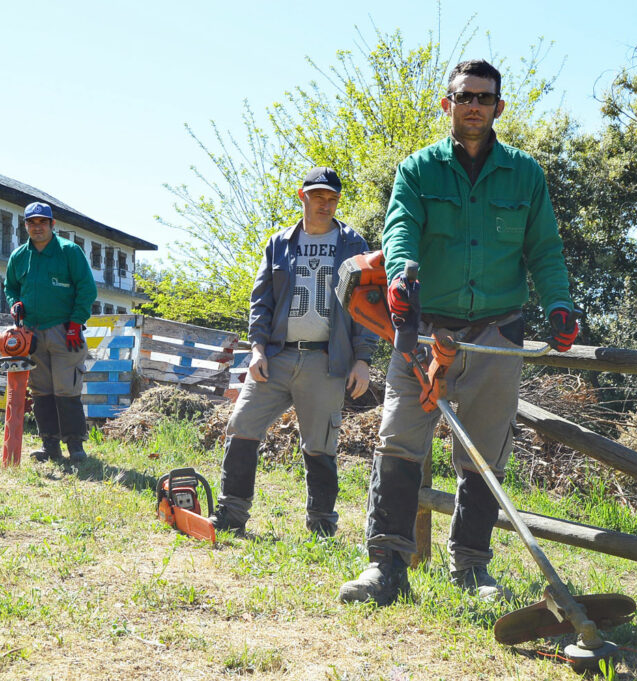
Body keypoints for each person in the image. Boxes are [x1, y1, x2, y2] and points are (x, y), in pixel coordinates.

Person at [339, 59, 580, 604]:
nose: (474, 105)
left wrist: (560, 304)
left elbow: (544, 250)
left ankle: (472, 568)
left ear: (499, 107)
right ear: (446, 104)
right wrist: (401, 275)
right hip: (422, 333)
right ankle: (386, 566)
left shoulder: (526, 174)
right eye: (464, 96)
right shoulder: (418, 170)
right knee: (399, 440)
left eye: (484, 97)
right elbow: (401, 227)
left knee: (485, 455)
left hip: (497, 333)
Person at [209, 167, 378, 537]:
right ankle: (231, 516)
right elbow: (261, 302)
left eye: (332, 198)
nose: (325, 204)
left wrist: (363, 359)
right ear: (302, 196)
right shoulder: (279, 243)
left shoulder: (353, 244)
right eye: (318, 197)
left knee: (320, 444)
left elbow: (367, 307)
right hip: (276, 356)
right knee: (241, 426)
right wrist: (256, 349)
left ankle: (321, 528)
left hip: (326, 361)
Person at [4, 201, 98, 464]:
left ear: (52, 224)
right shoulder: (19, 256)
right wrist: (15, 303)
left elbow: (87, 289)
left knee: (66, 389)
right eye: (31, 223)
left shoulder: (70, 252)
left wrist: (76, 322)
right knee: (41, 390)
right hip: (31, 332)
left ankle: (75, 446)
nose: (37, 227)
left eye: (42, 222)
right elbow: (10, 286)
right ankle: (50, 446)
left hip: (64, 329)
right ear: (25, 226)